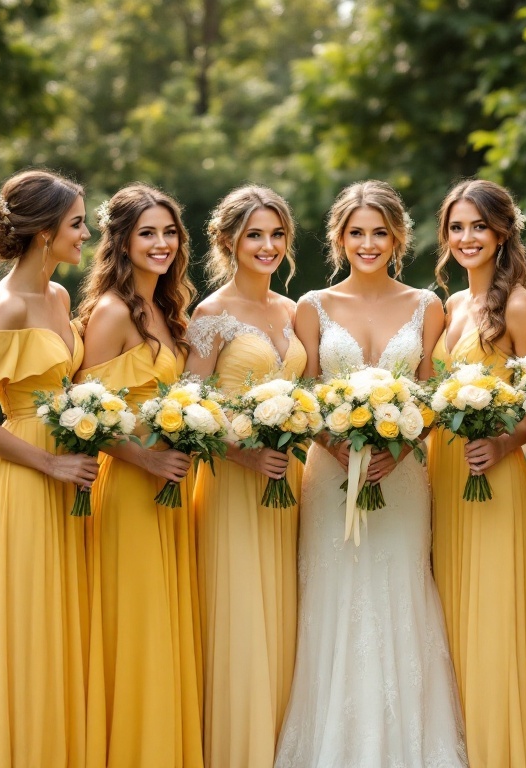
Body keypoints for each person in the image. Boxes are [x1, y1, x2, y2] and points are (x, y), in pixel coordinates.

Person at [275, 180, 467, 767]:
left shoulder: (426, 305)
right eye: (356, 232)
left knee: (403, 591)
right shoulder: (313, 306)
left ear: (397, 238)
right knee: (333, 599)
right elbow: (300, 396)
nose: (368, 243)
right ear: (338, 237)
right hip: (329, 477)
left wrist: (401, 450)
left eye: (379, 232)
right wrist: (336, 447)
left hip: (404, 477)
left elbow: (434, 393)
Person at [0, 169, 96, 767]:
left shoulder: (60, 296)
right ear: (43, 234)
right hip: (26, 478)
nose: (86, 234)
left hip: (71, 471)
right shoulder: (6, 307)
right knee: (30, 629)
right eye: (77, 223)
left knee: (64, 628)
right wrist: (48, 465)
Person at [75, 183, 203, 767]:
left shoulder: (165, 309)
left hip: (168, 485)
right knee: (137, 626)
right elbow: (81, 413)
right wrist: (146, 458)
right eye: (146, 232)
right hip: (128, 486)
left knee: (164, 628)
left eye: (169, 232)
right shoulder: (110, 311)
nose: (161, 243)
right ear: (121, 241)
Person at [186, 185, 307, 768]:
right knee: (240, 621)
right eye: (255, 234)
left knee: (284, 616)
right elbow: (188, 410)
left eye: (277, 234)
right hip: (234, 486)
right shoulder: (210, 315)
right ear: (228, 241)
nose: (268, 246)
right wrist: (245, 455)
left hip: (288, 488)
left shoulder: (293, 311)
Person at [428, 178, 526, 767]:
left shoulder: (520, 305)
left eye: (478, 226)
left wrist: (503, 446)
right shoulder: (451, 306)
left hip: (492, 474)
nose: (467, 237)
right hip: (446, 472)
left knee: (493, 612)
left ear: (502, 233)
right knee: (450, 611)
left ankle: (501, 751)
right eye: (457, 227)